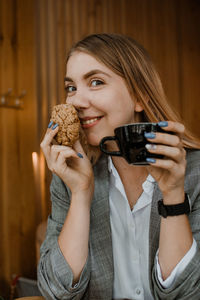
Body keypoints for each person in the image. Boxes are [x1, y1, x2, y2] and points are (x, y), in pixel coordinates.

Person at [37, 33, 200, 300]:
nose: (75, 101)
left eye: (96, 82)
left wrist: (173, 197)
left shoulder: (194, 173)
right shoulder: (71, 176)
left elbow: (187, 293)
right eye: (71, 87)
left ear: (140, 96)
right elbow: (57, 291)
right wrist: (80, 194)